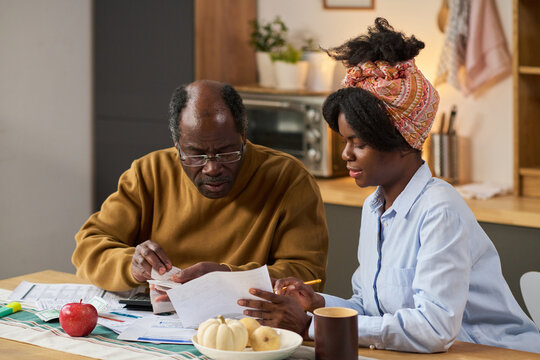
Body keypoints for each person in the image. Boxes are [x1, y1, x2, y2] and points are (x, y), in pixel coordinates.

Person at [238, 18, 540, 353]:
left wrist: (311, 325)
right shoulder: (375, 207)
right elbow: (372, 308)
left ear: (401, 142)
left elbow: (433, 328)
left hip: (492, 352)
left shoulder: (440, 210)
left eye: (359, 144)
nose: (346, 154)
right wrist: (316, 301)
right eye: (345, 141)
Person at [72, 80, 328, 292]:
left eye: (227, 153)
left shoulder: (289, 178)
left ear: (244, 135)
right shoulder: (148, 173)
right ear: (176, 144)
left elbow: (308, 275)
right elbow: (88, 247)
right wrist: (132, 265)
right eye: (195, 155)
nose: (212, 168)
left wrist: (228, 277)